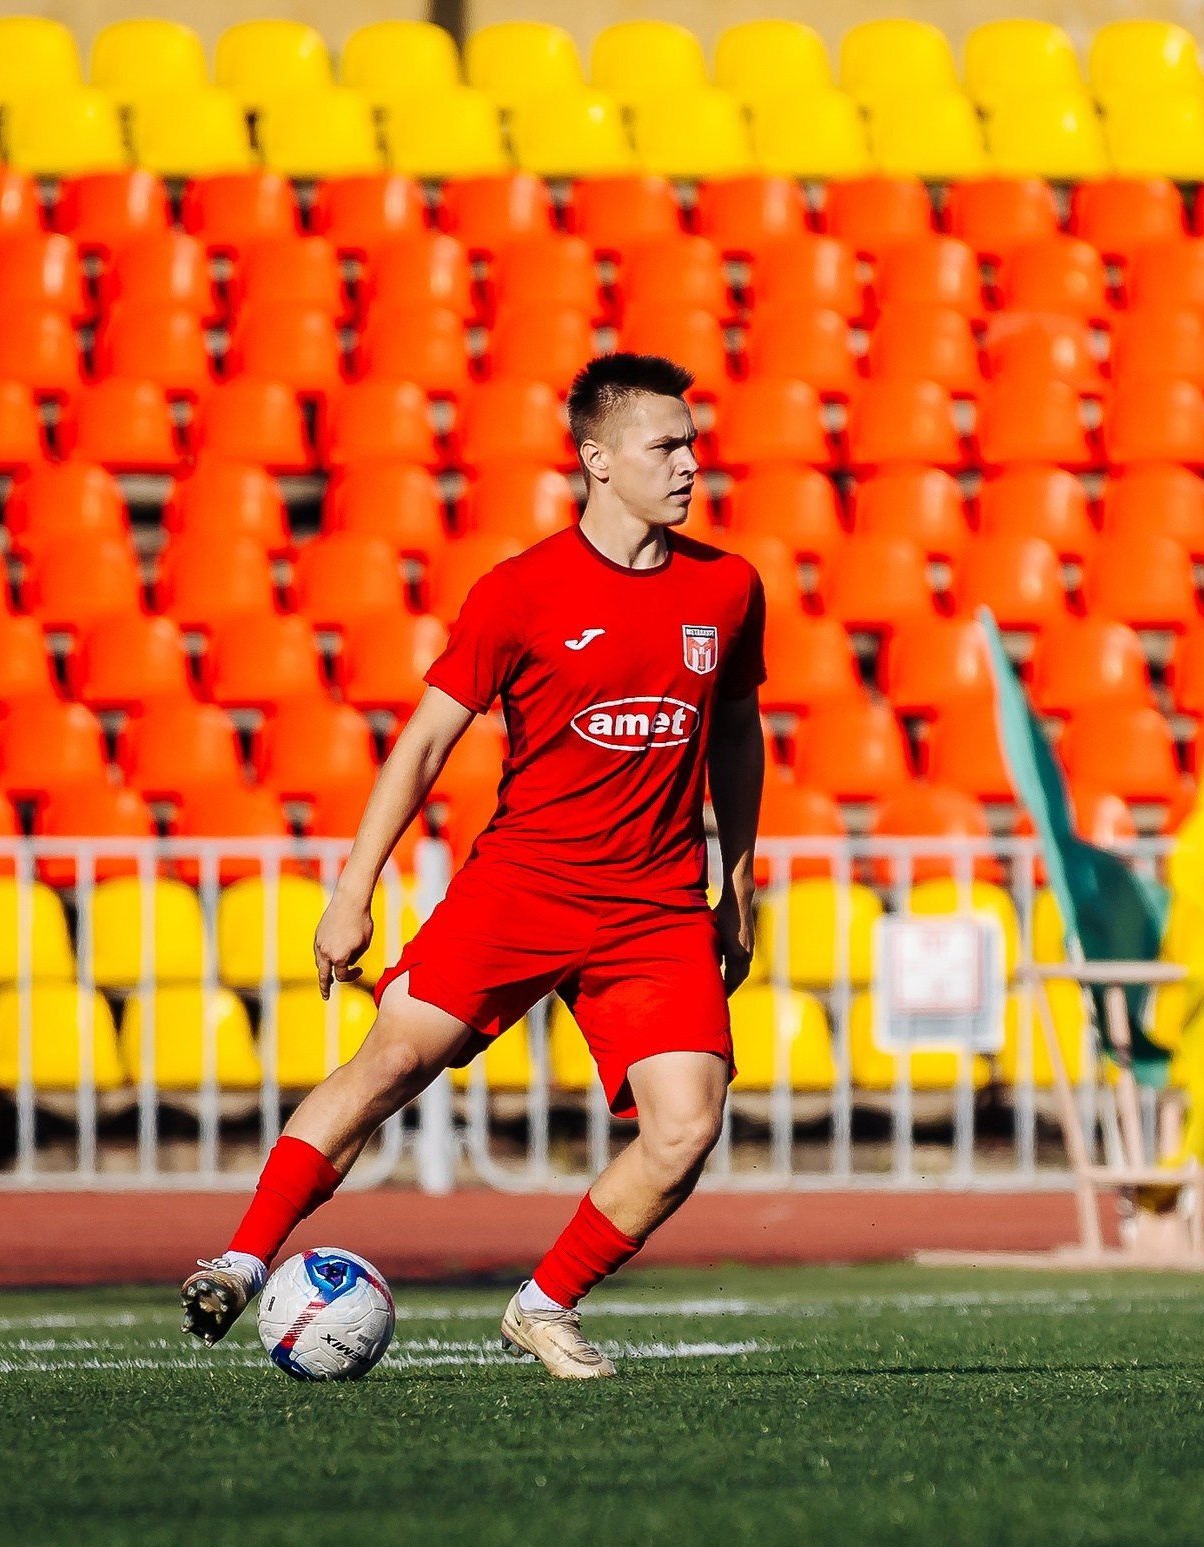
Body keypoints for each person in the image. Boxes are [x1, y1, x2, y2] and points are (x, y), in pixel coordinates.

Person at [180, 353, 767, 1379]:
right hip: (520, 890)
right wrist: (351, 893)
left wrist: (740, 885)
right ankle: (237, 1260)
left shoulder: (727, 588)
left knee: (687, 1129)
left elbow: (738, 737)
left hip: (655, 906)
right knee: (389, 1064)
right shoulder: (520, 593)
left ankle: (543, 1305)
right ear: (597, 458)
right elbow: (419, 749)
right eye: (665, 444)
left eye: (690, 443)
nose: (688, 464)